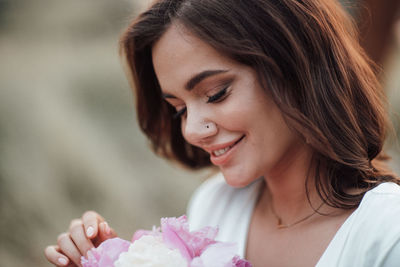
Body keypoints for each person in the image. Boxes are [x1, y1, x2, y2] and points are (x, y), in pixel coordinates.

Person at [44, 0, 400, 266]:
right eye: (179, 109)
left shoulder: (386, 232)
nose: (192, 130)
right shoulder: (215, 206)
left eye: (216, 94)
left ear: (295, 67)